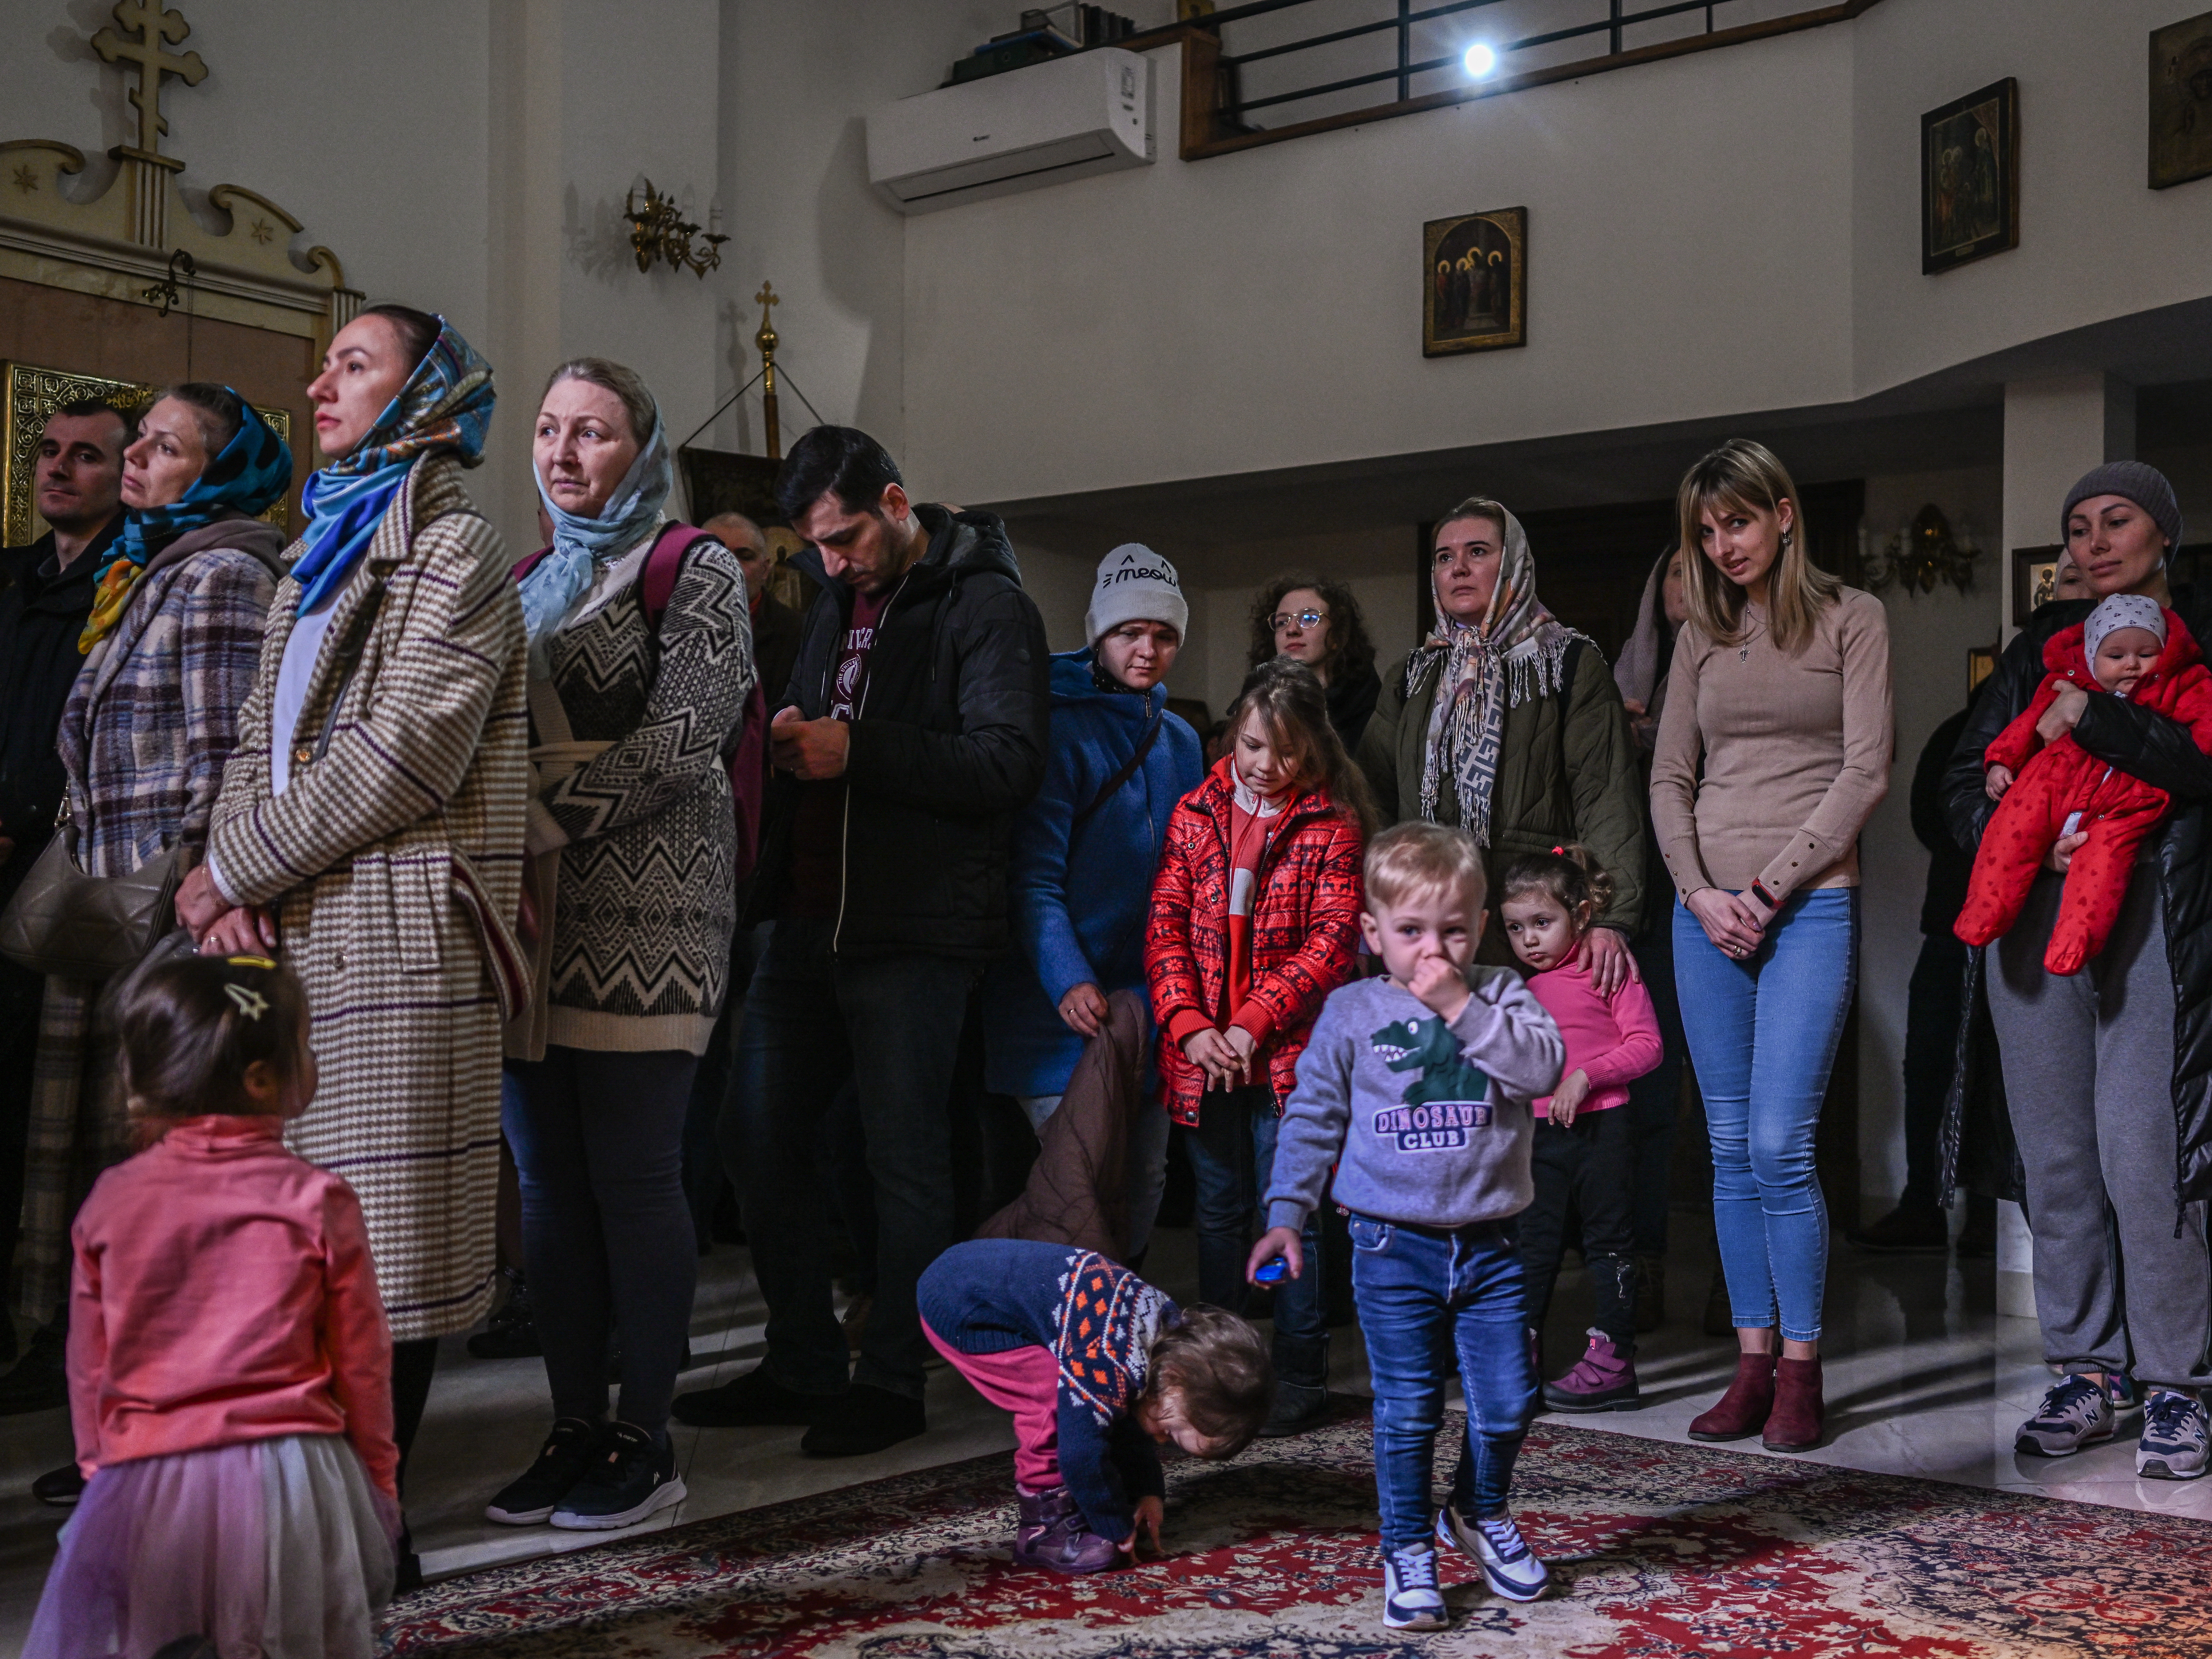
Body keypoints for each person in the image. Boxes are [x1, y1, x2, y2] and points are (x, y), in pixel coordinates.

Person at [173, 305, 524, 1574]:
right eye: (322, 363)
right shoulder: (320, 538)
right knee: (293, 1247)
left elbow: (407, 754)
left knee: (385, 1254)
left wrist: (235, 864)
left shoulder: (453, 541)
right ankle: (298, 1514)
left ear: (425, 394)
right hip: (292, 922)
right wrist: (229, 868)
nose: (319, 384)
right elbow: (259, 734)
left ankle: (372, 1528)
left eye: (353, 364)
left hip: (396, 926)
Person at [678, 425, 1049, 1456]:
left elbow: (1007, 763)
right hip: (804, 916)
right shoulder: (834, 600)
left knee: (904, 1160)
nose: (832, 565)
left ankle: (893, 1374)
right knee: (753, 1135)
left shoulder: (985, 604)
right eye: (815, 551)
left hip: (915, 927)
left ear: (893, 501)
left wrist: (856, 750)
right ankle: (800, 1354)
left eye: (844, 539)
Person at [8, 385, 289, 1496]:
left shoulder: (221, 572)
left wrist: (189, 904)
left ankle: (162, 1432)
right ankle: (120, 1426)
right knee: (116, 1190)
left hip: (166, 924)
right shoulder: (152, 564)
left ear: (216, 472)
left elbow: (225, 765)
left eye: (164, 450)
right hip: (115, 915)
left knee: (159, 1184)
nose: (138, 463)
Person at [486, 359, 750, 1531]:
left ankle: (646, 1433)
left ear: (639, 450)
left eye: (590, 433)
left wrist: (537, 818)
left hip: (652, 909)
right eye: (547, 430)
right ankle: (571, 1424)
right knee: (547, 1185)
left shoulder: (692, 567)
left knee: (633, 1173)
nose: (561, 452)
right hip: (530, 912)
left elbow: (688, 733)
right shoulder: (525, 578)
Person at [1940, 460, 2212, 1478]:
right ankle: (2086, 1370)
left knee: (2144, 1151)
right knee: (2055, 1157)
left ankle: (2176, 1384)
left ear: (2161, 540)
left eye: (2115, 521)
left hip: (2149, 917)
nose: (2091, 541)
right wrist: (2016, 835)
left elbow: (2197, 762)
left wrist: (2085, 717)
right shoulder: (2027, 654)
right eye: (2075, 526)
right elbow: (1957, 785)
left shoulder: (2194, 645)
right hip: (2031, 923)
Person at [23, 953, 396, 1658]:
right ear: (261, 1080)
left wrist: (101, 1470)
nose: (312, 1058)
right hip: (288, 1474)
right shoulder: (317, 1198)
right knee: (287, 1640)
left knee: (162, 1643)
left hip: (148, 1473)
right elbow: (363, 1361)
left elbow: (87, 1363)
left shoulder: (112, 1198)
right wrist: (377, 1476)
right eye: (306, 1045)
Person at [1252, 821, 1564, 1631]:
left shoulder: (1497, 994)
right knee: (1407, 1407)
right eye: (1412, 931)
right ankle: (1405, 1545)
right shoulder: (1351, 1011)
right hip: (1392, 1244)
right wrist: (1287, 1213)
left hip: (1492, 1242)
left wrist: (1458, 1003)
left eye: (1454, 929)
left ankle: (1477, 1507)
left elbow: (1541, 1070)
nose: (1435, 948)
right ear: (1372, 932)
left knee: (1506, 1400)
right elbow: (1312, 1118)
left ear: (1483, 923)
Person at [1650, 438, 1891, 1455]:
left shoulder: (1854, 617)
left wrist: (1763, 886)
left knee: (1776, 1145)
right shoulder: (1699, 631)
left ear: (1782, 514)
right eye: (1705, 532)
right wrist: (1700, 894)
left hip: (1805, 906)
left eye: (1736, 523)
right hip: (1705, 917)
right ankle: (1747, 1362)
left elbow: (1866, 770)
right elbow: (1666, 776)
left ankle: (1799, 1366)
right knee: (1722, 1146)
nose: (1721, 546)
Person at [1144, 658, 1368, 1439]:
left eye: (1284, 751)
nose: (1264, 766)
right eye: (1249, 746)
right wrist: (1194, 1028)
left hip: (1285, 1055)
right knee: (1216, 1210)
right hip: (1204, 1053)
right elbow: (1165, 925)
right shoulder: (1193, 810)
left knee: (1292, 1213)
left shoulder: (1331, 822)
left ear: (1312, 749)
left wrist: (1250, 1022)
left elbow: (1332, 942)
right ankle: (1216, 1363)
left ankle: (1299, 1365)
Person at [985, 545, 1203, 1262]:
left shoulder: (1178, 739)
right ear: (1096, 635)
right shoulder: (1055, 728)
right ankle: (1071, 1336)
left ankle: (1120, 1329)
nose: (1146, 649)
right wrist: (1066, 977)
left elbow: (1190, 870)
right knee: (1074, 1183)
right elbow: (1033, 877)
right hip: (1060, 1015)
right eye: (1127, 632)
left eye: (1163, 634)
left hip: (1151, 1002)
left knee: (1143, 1175)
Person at [1357, 499, 1644, 990]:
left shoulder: (1568, 663)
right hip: (1429, 923)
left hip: (1534, 923)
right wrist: (1380, 911)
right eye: (1445, 557)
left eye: (1478, 552)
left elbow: (1605, 797)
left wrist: (1610, 918)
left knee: (1530, 1062)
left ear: (1513, 563)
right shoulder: (1411, 674)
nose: (1459, 568)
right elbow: (1371, 800)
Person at [0, 399, 129, 1386]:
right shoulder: (10, 579)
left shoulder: (132, 589)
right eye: (49, 451)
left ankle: (46, 1323)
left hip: (68, 881)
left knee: (42, 1110)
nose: (59, 469)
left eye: (87, 456)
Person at [916, 1238, 1271, 1574]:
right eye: (1169, 1430)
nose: (1162, 1441)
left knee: (1109, 1406)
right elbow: (1080, 1455)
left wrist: (1146, 1490)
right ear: (1175, 1375)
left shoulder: (1171, 1340)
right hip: (961, 1304)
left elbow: (1133, 1410)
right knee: (1053, 1403)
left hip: (980, 1276)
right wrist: (1114, 1525)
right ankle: (1041, 1527)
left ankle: (1083, 1503)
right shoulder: (1109, 1361)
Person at [1956, 596, 2212, 975]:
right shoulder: (2065, 683)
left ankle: (2076, 941)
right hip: (2054, 781)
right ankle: (1983, 909)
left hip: (2129, 802)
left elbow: (2204, 727)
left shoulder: (2181, 683)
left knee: (2103, 868)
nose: (2131, 664)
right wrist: (2000, 762)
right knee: (2010, 831)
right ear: (2091, 657)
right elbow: (2028, 724)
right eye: (2115, 655)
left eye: (2146, 653)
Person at [1498, 845, 1662, 1411]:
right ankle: (1519, 1359)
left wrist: (1587, 1076)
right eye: (1517, 927)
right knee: (1532, 1245)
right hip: (1538, 1136)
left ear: (1584, 914)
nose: (1530, 940)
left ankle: (1614, 1360)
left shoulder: (1608, 968)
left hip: (1603, 1128)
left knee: (1610, 1243)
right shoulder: (1517, 987)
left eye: (1543, 923)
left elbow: (1648, 1045)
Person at [1849, 698, 1983, 1255]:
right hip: (1953, 916)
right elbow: (1929, 817)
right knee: (1930, 1061)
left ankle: (1972, 1209)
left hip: (1981, 918)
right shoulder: (1964, 730)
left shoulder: (1964, 728)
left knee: (1969, 1068)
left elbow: (1928, 817)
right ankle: (1926, 1201)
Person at [1610, 544, 1693, 1327]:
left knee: (1731, 1103)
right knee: (1643, 1087)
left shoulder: (1736, 671)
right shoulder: (1621, 679)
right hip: (1637, 902)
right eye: (1669, 572)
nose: (1681, 586)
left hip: (1712, 891)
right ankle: (1637, 1265)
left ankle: (1743, 1290)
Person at [1247, 575, 1384, 752]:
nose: (1292, 630)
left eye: (1309, 619)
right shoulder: (1253, 705)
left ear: (1338, 634)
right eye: (1282, 622)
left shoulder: (1375, 713)